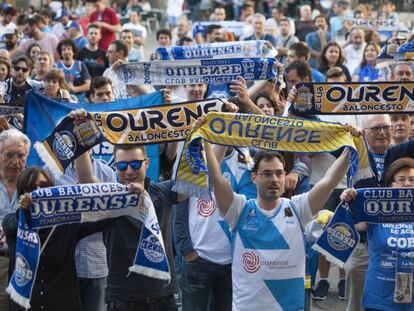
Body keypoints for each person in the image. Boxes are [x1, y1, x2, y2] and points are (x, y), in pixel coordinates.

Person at [200, 112, 351, 309]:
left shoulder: (297, 208)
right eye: (267, 174)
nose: (274, 179)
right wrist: (203, 140)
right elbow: (216, 178)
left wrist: (350, 146)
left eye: (279, 173)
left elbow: (329, 181)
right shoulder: (239, 209)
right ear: (254, 177)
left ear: (285, 176)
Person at [2, 167, 133, 311]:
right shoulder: (13, 224)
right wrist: (25, 210)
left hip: (62, 304)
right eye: (31, 188)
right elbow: (11, 225)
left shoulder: (66, 224)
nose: (39, 192)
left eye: (44, 186)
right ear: (22, 193)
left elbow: (107, 217)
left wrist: (133, 195)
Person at [340, 157, 414, 311]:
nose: (407, 184)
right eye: (401, 179)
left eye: (412, 179)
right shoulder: (374, 210)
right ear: (389, 185)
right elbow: (348, 223)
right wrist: (348, 200)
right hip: (379, 298)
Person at [0, 129, 30, 311]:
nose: (15, 162)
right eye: (9, 155)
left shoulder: (37, 184)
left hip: (28, 263)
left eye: (21, 155)